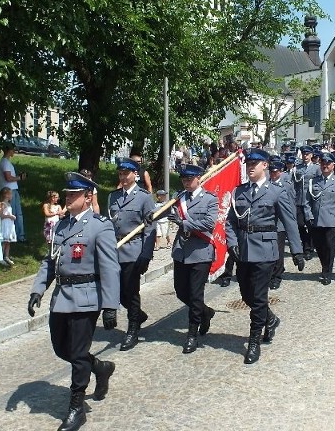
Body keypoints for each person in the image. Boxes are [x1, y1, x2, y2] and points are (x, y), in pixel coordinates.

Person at [28, 172, 119, 431]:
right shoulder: (61, 225)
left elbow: (110, 268)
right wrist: (38, 290)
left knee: (78, 354)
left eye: (74, 194)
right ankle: (100, 367)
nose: (68, 198)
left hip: (86, 297)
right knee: (62, 350)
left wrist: (110, 305)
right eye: (67, 193)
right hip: (61, 297)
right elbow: (50, 261)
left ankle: (76, 407)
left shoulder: (100, 226)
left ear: (88, 197)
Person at [225, 148, 305, 364]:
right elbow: (230, 221)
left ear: (265, 166)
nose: (250, 167)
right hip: (243, 250)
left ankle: (253, 341)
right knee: (246, 295)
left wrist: (297, 251)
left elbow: (290, 222)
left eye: (254, 164)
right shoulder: (239, 192)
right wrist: (232, 243)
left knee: (259, 297)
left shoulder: (276, 192)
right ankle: (270, 319)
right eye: (247, 164)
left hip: (266, 250)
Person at [162, 164, 218, 353]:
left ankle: (192, 334)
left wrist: (184, 222)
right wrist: (150, 217)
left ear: (199, 178)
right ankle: (206, 312)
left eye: (189, 178)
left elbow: (209, 224)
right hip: (181, 252)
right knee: (180, 291)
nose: (186, 181)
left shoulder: (210, 199)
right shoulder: (179, 198)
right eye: (184, 179)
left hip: (200, 252)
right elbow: (164, 210)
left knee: (195, 295)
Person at [108, 158, 156, 351]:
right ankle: (138, 314)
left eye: (126, 174)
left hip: (133, 250)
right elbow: (109, 225)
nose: (123, 177)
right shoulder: (113, 197)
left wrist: (146, 254)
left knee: (131, 291)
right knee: (120, 294)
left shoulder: (144, 197)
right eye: (120, 174)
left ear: (135, 174)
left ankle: (132, 329)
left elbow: (149, 228)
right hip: (114, 250)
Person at [304, 153, 335, 285]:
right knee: (320, 247)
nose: (325, 166)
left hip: (331, 220)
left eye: (328, 164)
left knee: (329, 246)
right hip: (315, 220)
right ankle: (324, 265)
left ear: (333, 165)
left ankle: (327, 272)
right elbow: (306, 201)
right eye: (322, 163)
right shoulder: (313, 181)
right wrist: (308, 215)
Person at [268, 160, 296, 290]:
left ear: (280, 172)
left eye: (276, 172)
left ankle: (277, 277)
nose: (273, 174)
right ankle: (270, 273)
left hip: (280, 224)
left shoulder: (286, 185)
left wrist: (290, 223)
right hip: (267, 224)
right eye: (271, 172)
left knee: (278, 252)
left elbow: (290, 206)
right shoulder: (266, 184)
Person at [291, 145, 319, 258]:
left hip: (311, 200)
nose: (305, 156)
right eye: (303, 154)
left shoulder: (316, 168)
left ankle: (310, 247)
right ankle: (306, 245)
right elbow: (293, 183)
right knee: (300, 225)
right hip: (299, 200)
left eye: (307, 154)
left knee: (311, 225)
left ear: (311, 155)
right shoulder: (297, 168)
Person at [0, 143, 27, 242]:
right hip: (9, 190)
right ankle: (15, 235)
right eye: (13, 150)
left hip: (13, 189)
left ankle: (19, 235)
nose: (14, 151)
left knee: (18, 213)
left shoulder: (6, 162)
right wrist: (20, 178)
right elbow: (8, 178)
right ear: (9, 151)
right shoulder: (5, 163)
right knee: (13, 213)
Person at [0, 187, 17, 266]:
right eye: (10, 194)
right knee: (4, 241)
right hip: (5, 224)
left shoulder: (9, 204)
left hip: (9, 224)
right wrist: (9, 216)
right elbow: (1, 215)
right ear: (6, 195)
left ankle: (6, 256)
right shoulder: (3, 204)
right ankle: (0, 257)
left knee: (8, 242)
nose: (11, 196)